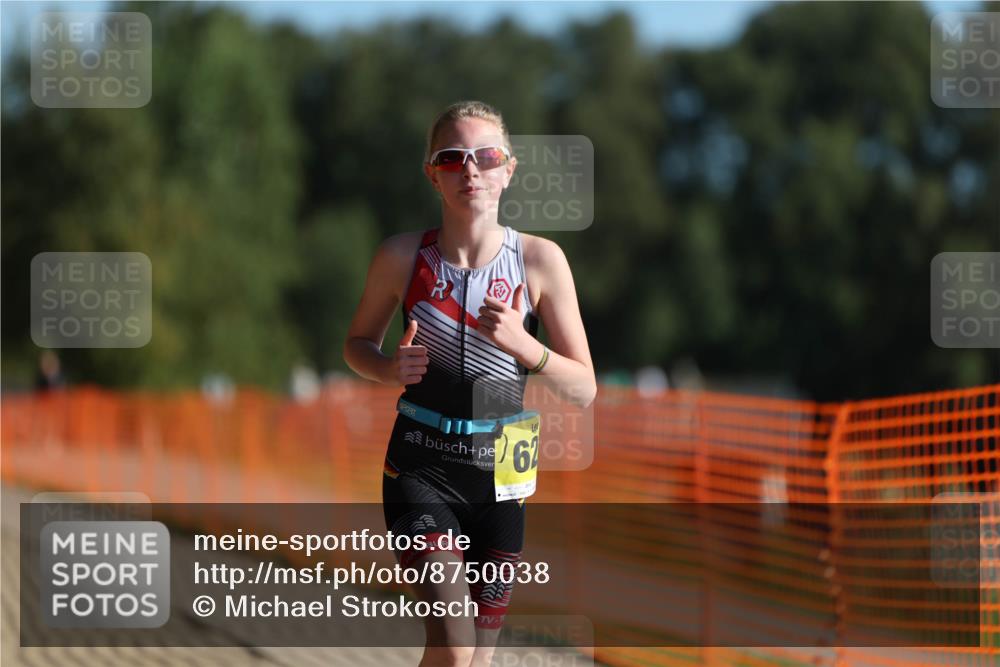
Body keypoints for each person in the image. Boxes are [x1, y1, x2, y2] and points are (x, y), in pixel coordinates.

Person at [344, 100, 596, 667]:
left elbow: (584, 388)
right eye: (453, 158)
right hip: (420, 466)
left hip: (502, 475)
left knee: (476, 660)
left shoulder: (540, 261)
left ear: (509, 169)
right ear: (432, 172)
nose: (470, 170)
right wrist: (387, 369)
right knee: (455, 646)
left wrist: (527, 347)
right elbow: (356, 344)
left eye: (485, 157)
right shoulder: (401, 256)